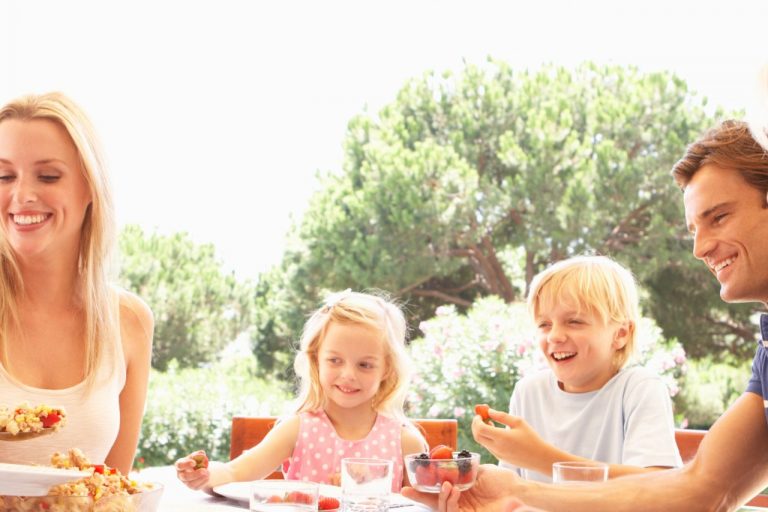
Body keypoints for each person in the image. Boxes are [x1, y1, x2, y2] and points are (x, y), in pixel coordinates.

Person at [402, 118, 768, 511]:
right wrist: (516, 492)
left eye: (719, 217)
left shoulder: (638, 388)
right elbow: (706, 490)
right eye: (694, 228)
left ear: (622, 334)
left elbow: (697, 490)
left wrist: (536, 467)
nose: (699, 249)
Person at [0, 92, 154, 475]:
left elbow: (112, 490)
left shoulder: (129, 321)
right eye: (4, 176)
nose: (22, 195)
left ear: (89, 187)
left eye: (48, 176)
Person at [175, 289, 427, 492]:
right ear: (316, 360)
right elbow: (235, 472)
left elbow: (424, 504)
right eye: (335, 360)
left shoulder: (405, 442)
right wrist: (205, 476)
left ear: (386, 369)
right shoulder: (298, 429)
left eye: (365, 364)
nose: (348, 374)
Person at [476, 255, 680, 483]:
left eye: (574, 321)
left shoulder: (638, 389)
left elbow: (658, 487)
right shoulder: (528, 392)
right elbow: (510, 493)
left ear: (620, 334)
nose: (554, 336)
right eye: (544, 324)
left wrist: (540, 459)